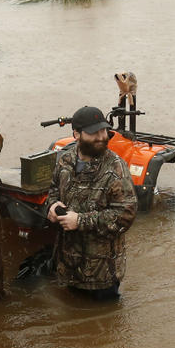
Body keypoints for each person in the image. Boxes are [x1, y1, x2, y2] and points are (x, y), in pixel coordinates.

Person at [43, 106, 137, 300]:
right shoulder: (64, 161)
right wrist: (51, 206)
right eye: (94, 132)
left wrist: (80, 221)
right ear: (76, 134)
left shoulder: (116, 168)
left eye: (103, 130)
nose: (101, 137)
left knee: (104, 326)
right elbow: (52, 190)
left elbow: (125, 215)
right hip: (68, 267)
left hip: (102, 275)